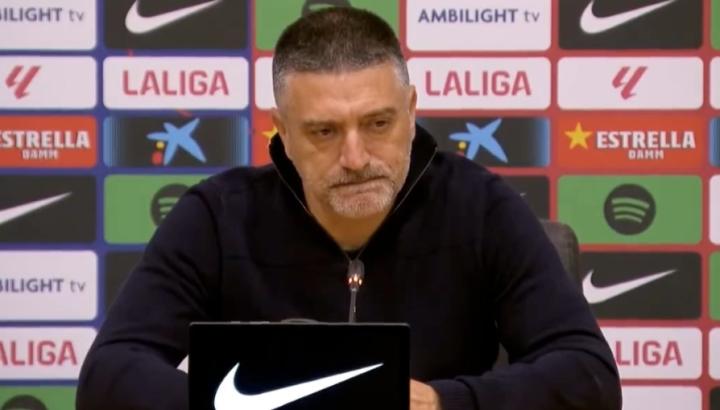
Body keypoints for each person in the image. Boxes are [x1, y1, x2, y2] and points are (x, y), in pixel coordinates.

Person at [77, 7, 621, 410]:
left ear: (411, 111)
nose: (356, 158)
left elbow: (588, 375)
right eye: (324, 132)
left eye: (378, 123)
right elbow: (109, 376)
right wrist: (254, 403)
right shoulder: (218, 217)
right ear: (283, 131)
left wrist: (443, 402)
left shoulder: (480, 207)